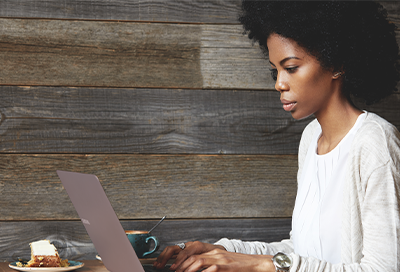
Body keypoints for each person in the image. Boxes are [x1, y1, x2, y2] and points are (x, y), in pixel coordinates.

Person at [153, 0, 400, 271]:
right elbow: (302, 251)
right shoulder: (311, 139)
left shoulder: (375, 142)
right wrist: (223, 250)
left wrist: (263, 265)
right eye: (275, 70)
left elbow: (384, 268)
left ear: (337, 64)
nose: (279, 83)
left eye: (291, 67)